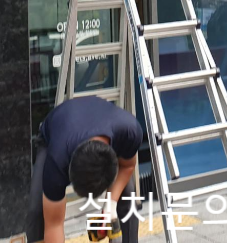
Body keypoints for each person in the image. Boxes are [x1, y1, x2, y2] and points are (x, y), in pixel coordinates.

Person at [26, 96, 143, 243]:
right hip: (54, 134)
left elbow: (127, 166)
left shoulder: (130, 131)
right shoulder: (57, 159)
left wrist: (110, 204)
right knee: (37, 211)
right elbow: (54, 224)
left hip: (96, 121)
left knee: (127, 198)